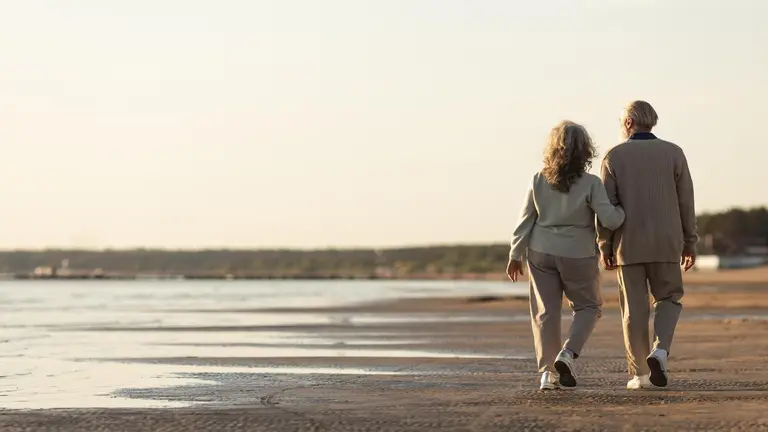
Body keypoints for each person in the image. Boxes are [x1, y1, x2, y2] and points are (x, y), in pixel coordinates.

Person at [507, 120, 625, 390]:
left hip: (541, 251)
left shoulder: (538, 179)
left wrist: (515, 254)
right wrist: (623, 212)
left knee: (545, 313)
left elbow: (525, 221)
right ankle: (567, 354)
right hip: (578, 253)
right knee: (588, 307)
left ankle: (547, 374)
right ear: (585, 151)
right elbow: (610, 219)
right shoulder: (591, 184)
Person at [597, 100, 698, 390]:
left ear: (628, 123)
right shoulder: (674, 153)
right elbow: (686, 202)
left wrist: (604, 245)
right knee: (668, 299)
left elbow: (607, 207)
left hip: (627, 245)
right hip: (667, 242)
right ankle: (661, 351)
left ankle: (640, 374)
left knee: (634, 309)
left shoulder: (614, 156)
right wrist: (689, 241)